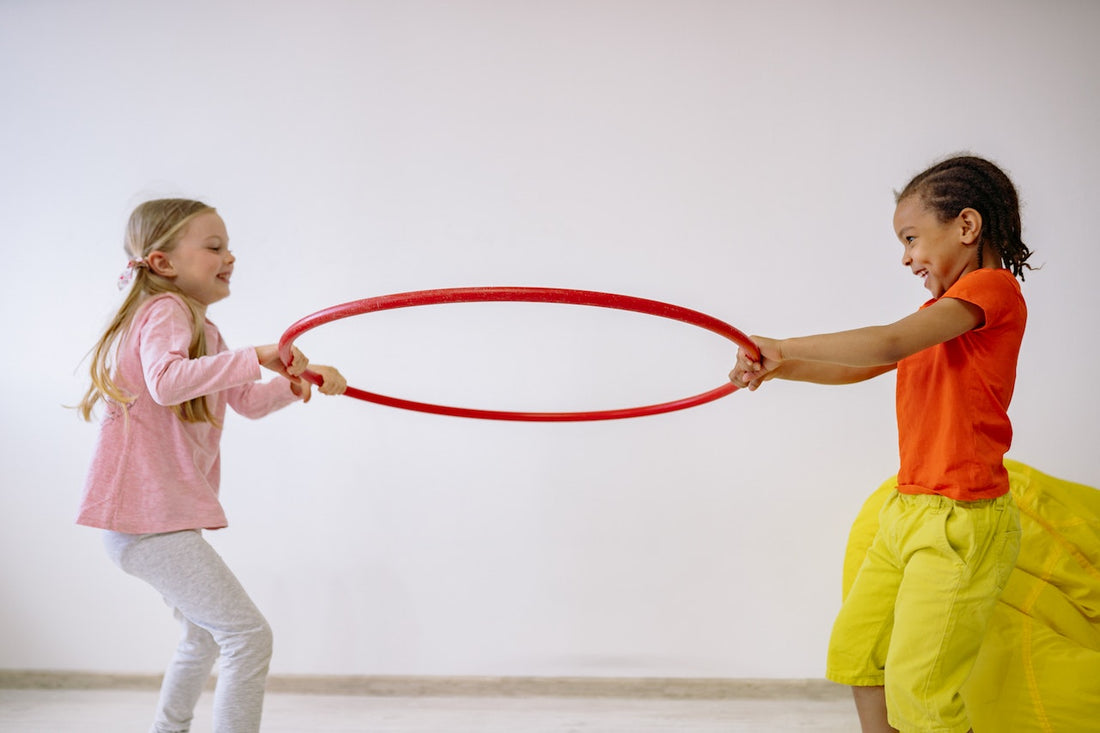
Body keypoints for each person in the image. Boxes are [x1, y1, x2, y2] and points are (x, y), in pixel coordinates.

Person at [729, 155, 1034, 733]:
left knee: (921, 690)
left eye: (912, 238)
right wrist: (780, 365)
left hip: (960, 521)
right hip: (909, 510)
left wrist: (783, 343)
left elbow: (887, 340)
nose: (906, 257)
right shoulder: (941, 316)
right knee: (859, 656)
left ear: (967, 227)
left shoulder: (992, 293)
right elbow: (868, 363)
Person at [76, 198, 348, 733]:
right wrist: (258, 354)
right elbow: (167, 381)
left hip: (148, 523)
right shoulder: (164, 311)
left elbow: (243, 402)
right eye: (214, 247)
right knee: (247, 636)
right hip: (146, 522)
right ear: (162, 263)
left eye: (228, 247)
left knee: (203, 635)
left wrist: (294, 384)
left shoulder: (203, 328)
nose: (230, 256)